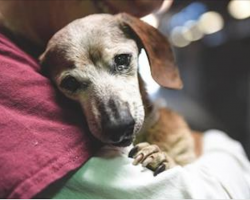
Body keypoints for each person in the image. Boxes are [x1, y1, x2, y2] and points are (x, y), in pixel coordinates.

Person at [0, 0, 250, 199]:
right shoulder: (15, 72)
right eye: (73, 83)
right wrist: (223, 146)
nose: (116, 120)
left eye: (121, 61)